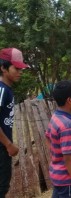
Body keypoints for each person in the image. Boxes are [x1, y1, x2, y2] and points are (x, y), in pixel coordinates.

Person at [45, 80, 71, 198]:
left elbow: (47, 138)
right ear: (69, 100)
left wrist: (55, 158)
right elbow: (69, 158)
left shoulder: (56, 117)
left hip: (59, 176)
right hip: (68, 181)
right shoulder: (66, 125)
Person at [0, 48, 28, 197]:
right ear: (3, 68)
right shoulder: (1, 90)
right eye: (16, 68)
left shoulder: (8, 89)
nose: (20, 71)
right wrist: (9, 145)